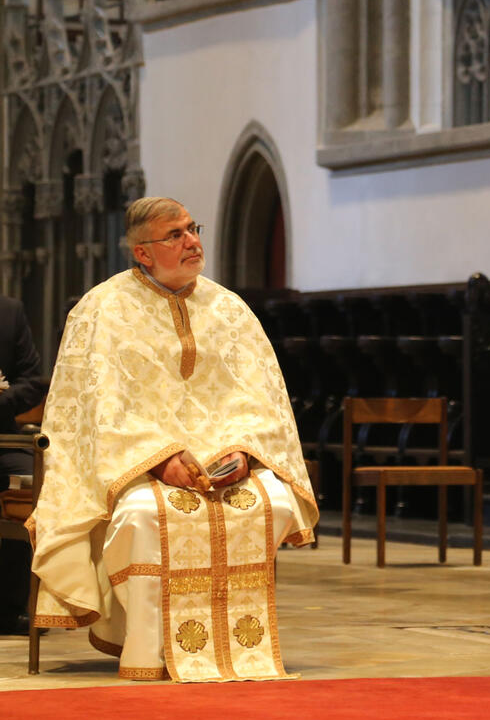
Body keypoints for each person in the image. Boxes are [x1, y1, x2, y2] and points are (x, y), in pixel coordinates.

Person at [29, 197, 318, 681]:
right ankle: (147, 651)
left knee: (269, 502)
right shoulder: (102, 310)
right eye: (175, 235)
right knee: (143, 515)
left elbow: (262, 396)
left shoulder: (230, 310)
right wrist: (159, 460)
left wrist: (243, 449)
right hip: (137, 465)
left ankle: (241, 646)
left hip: (224, 464)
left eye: (192, 229)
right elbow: (98, 408)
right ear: (142, 253)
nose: (192, 242)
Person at [0, 296, 49, 636]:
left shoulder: (8, 312)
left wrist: (2, 399)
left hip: (2, 438)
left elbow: (33, 383)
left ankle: (10, 606)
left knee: (35, 483)